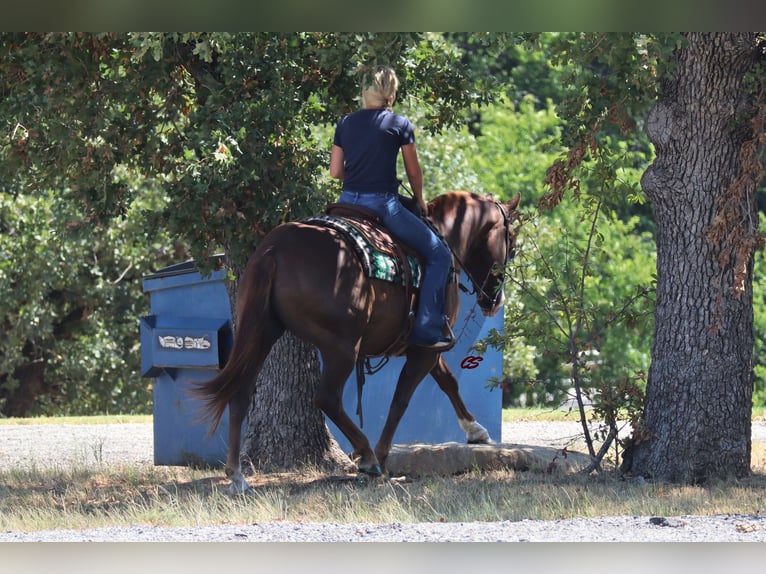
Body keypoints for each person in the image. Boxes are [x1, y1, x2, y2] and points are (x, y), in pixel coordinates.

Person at [329, 65, 454, 351]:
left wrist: (359, 175)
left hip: (346, 203)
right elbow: (413, 171)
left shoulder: (345, 123)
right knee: (439, 255)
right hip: (383, 204)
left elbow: (335, 172)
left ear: (366, 93)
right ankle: (425, 330)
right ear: (391, 94)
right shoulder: (399, 124)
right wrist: (420, 199)